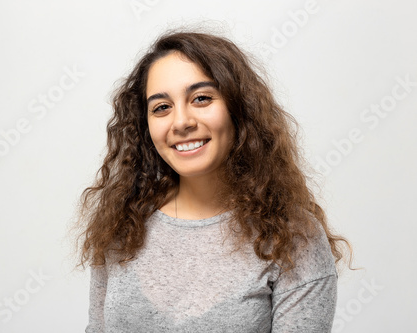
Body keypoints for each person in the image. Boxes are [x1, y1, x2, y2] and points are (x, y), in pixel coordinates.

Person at [76, 29, 353, 333]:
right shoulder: (123, 225)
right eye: (161, 107)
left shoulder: (292, 237)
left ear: (238, 110)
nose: (181, 122)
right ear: (146, 127)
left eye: (202, 98)